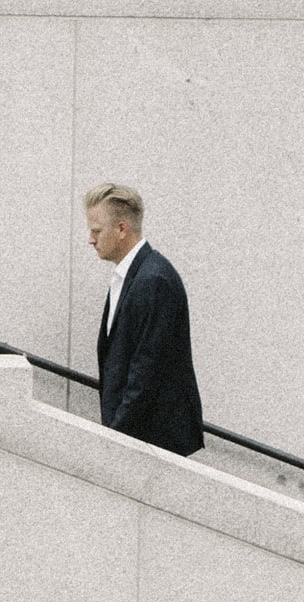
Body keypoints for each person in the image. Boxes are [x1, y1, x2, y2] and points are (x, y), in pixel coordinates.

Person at [85, 182, 204, 456]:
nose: (91, 239)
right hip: (141, 438)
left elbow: (146, 371)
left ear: (122, 229)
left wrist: (116, 438)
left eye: (96, 231)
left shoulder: (153, 280)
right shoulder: (133, 276)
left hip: (153, 441)